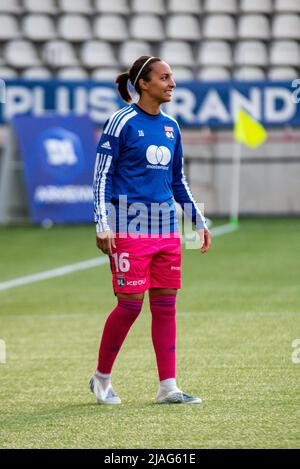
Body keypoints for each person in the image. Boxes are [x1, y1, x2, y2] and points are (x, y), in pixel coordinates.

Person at [89, 56, 211, 405]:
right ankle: (101, 378)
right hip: (129, 226)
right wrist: (102, 223)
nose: (172, 83)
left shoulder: (172, 126)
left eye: (172, 77)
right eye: (165, 77)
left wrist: (198, 221)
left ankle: (168, 387)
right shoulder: (121, 121)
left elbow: (177, 180)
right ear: (143, 83)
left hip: (167, 230)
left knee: (166, 306)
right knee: (129, 306)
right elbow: (102, 176)